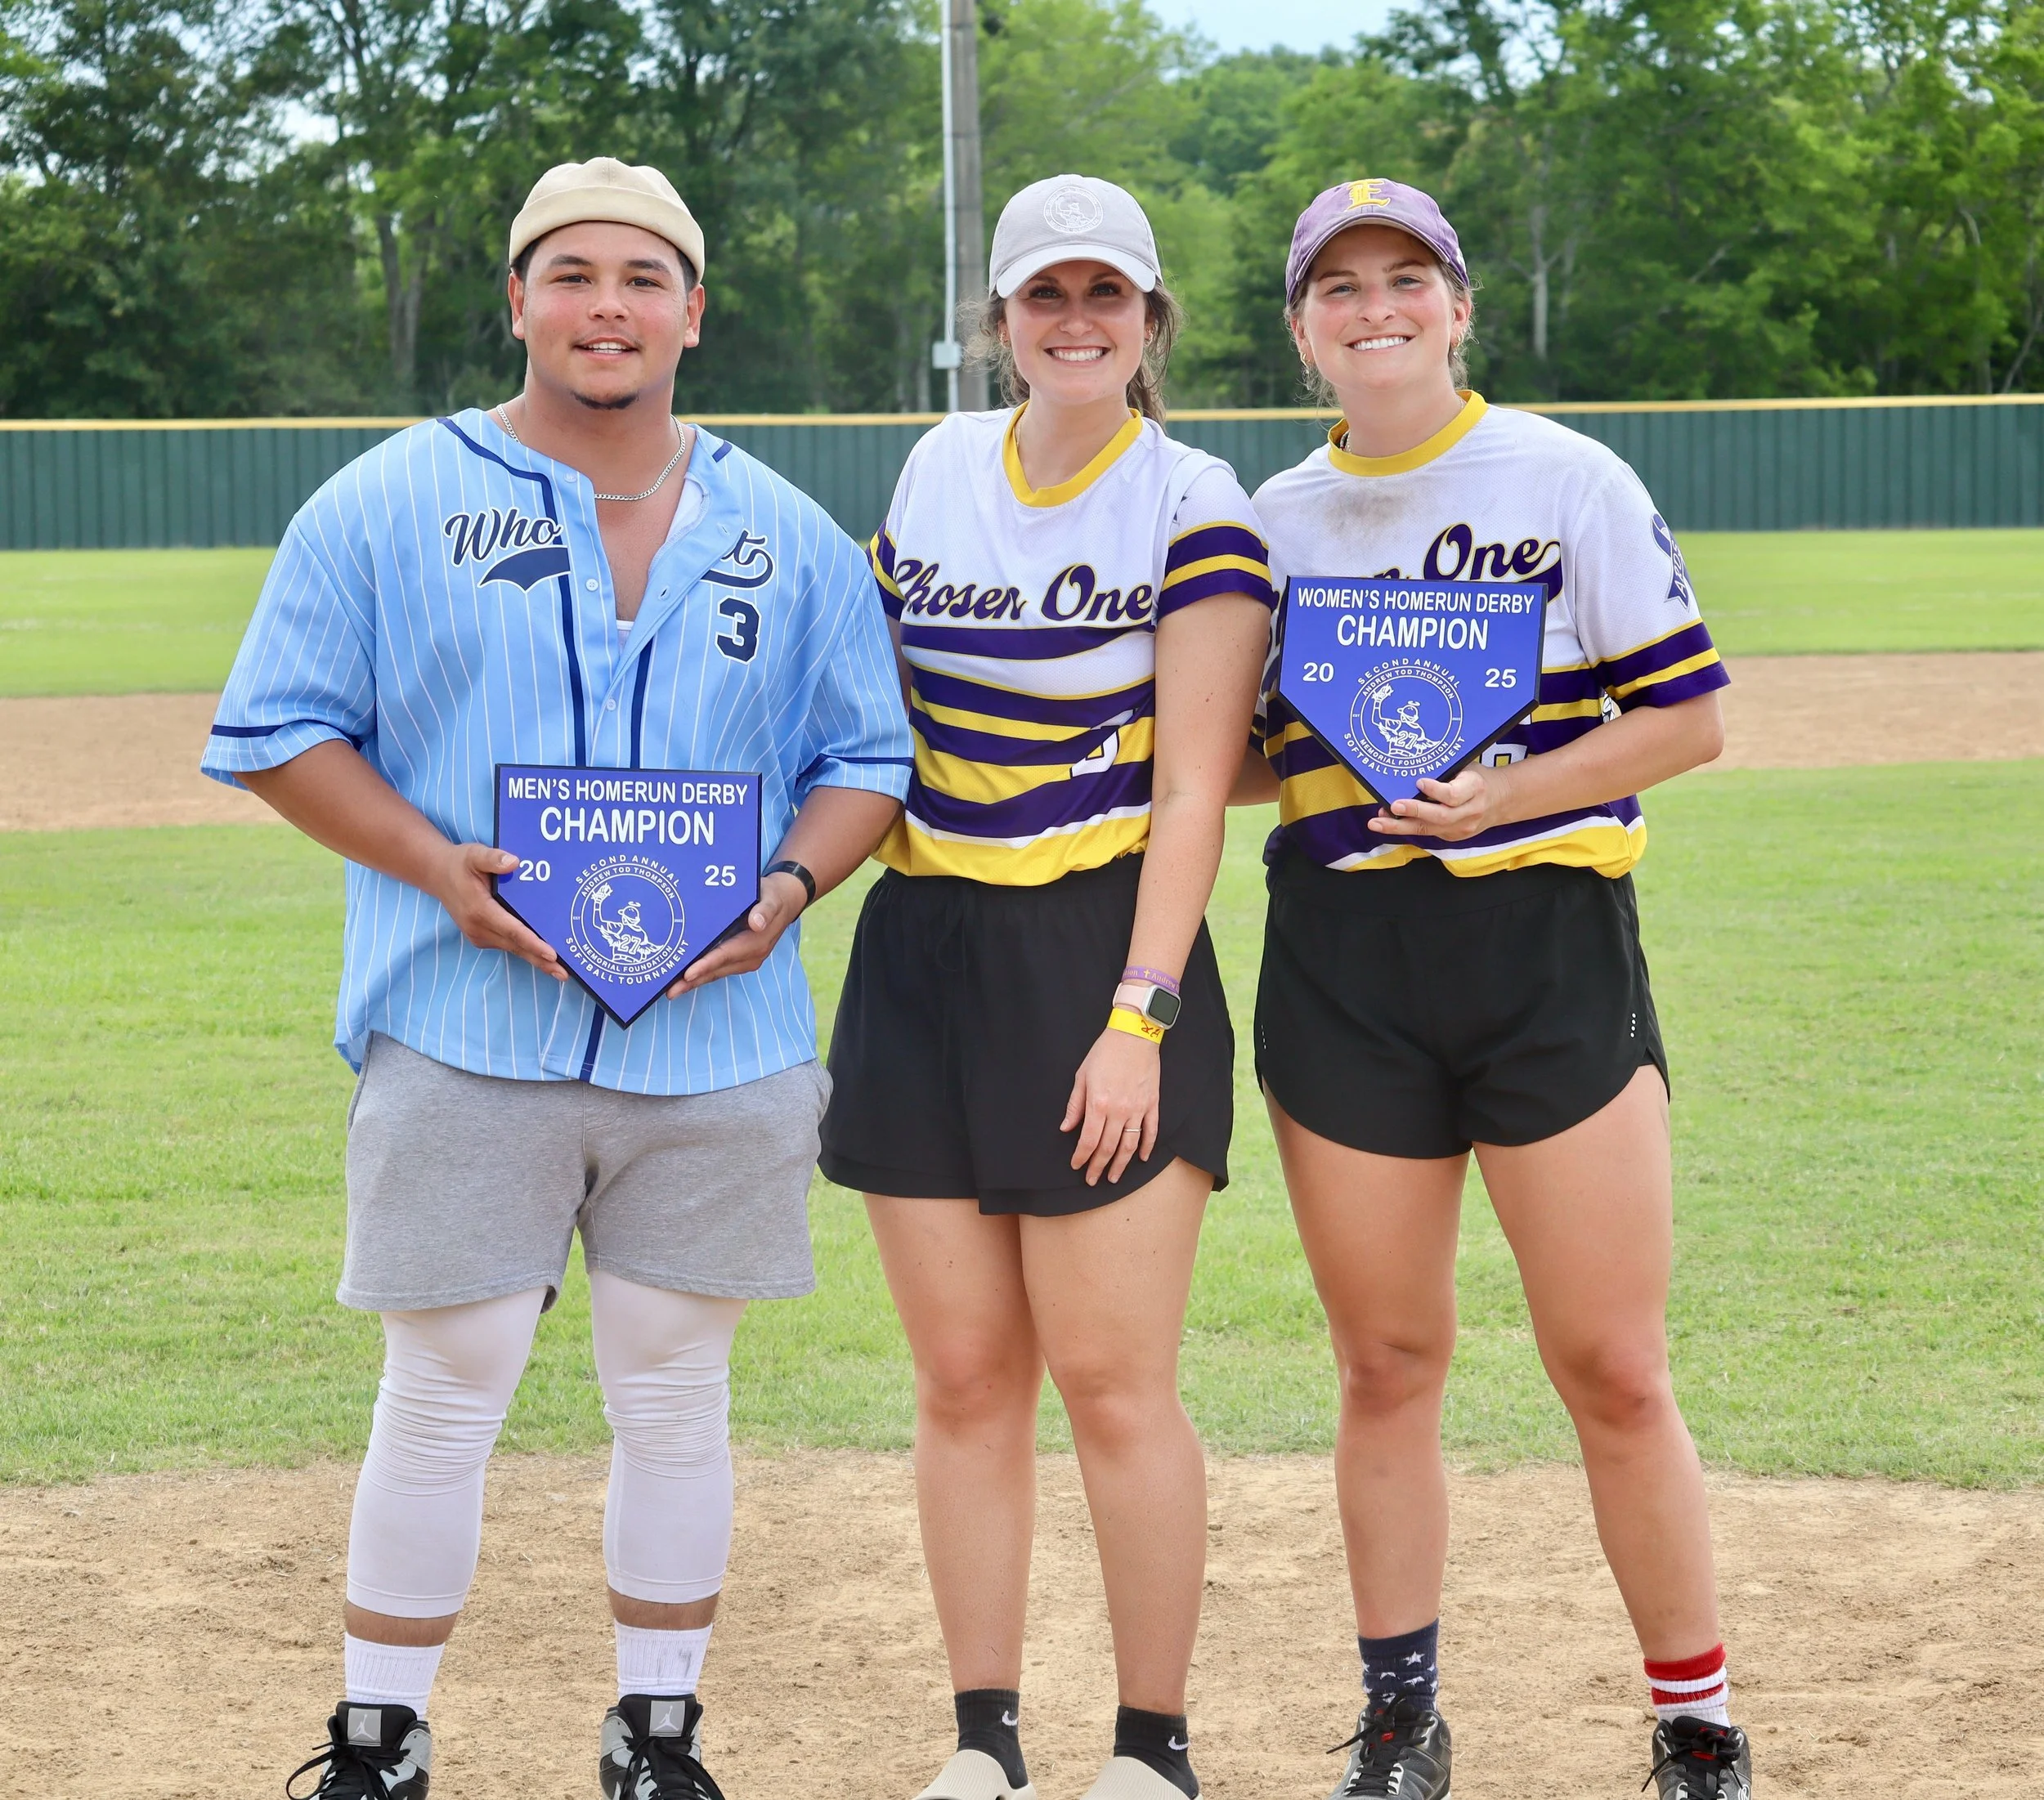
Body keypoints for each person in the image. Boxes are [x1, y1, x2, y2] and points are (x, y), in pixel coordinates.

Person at [201, 158, 911, 1800]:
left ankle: (656, 1730)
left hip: (715, 1032)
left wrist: (794, 880)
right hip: (464, 1025)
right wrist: (428, 865)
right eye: (573, 273)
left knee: (673, 1391)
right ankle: (377, 1734)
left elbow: (866, 755)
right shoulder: (386, 500)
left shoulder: (781, 526)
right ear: (516, 299)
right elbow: (279, 730)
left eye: (644, 278)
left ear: (693, 312)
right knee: (442, 1387)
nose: (609, 305)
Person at [1239, 179, 1749, 1800]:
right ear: (1300, 326)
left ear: (1458, 308)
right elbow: (1246, 761)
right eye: (1339, 287)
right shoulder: (1263, 519)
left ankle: (1694, 1719)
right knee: (1383, 1364)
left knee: (1608, 1362)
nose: (1372, 308)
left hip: (1540, 947)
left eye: (1405, 280)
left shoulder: (1561, 478)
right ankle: (1402, 1720)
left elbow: (1684, 720)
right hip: (1344, 962)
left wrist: (1507, 795)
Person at [817, 174, 1275, 1800]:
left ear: (1148, 323)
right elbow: (864, 713)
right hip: (923, 957)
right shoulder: (940, 469)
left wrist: (1136, 1018)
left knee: (1108, 1379)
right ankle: (980, 1741)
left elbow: (1195, 793)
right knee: (960, 1379)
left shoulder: (1192, 499)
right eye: (1040, 297)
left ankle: (1150, 1749)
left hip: (1099, 953)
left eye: (1104, 297)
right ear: (998, 320)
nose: (1072, 323)